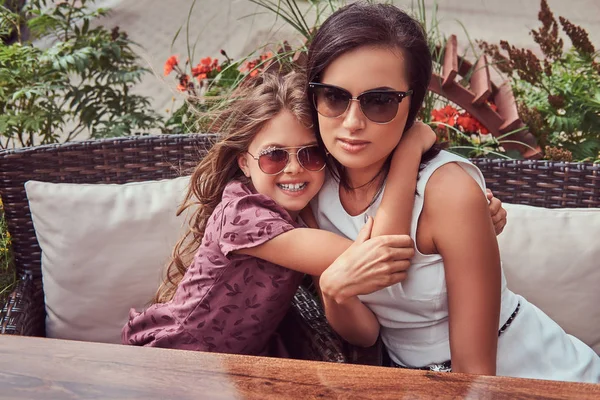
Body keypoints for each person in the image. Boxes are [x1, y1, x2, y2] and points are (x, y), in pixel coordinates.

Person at [305, 1, 600, 383]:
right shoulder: (311, 184)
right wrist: (332, 291)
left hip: (537, 379)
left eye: (379, 101)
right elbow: (365, 332)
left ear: (413, 105)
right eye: (334, 96)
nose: (352, 122)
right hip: (418, 384)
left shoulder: (448, 192)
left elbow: (476, 375)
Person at [121, 71, 439, 356]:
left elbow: (365, 333)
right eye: (274, 156)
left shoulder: (303, 215)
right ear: (244, 162)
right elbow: (378, 250)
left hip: (232, 368)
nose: (293, 169)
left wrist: (455, 212)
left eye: (311, 154)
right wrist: (408, 150)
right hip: (174, 358)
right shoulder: (242, 214)